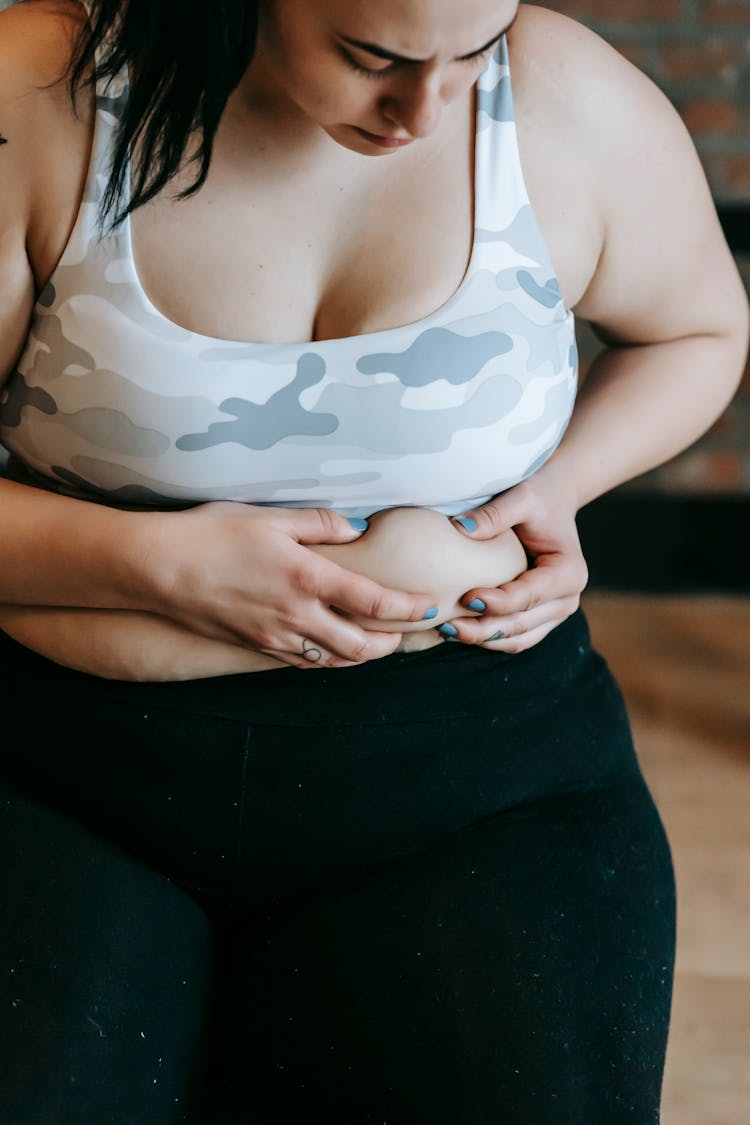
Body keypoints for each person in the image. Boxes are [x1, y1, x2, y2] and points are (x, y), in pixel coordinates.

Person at [0, 0, 747, 1120]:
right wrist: (155, 564)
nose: (426, 109)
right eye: (375, 59)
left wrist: (560, 483)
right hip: (60, 766)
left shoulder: (566, 99)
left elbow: (697, 329)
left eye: (470, 54)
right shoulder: (43, 90)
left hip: (480, 776)